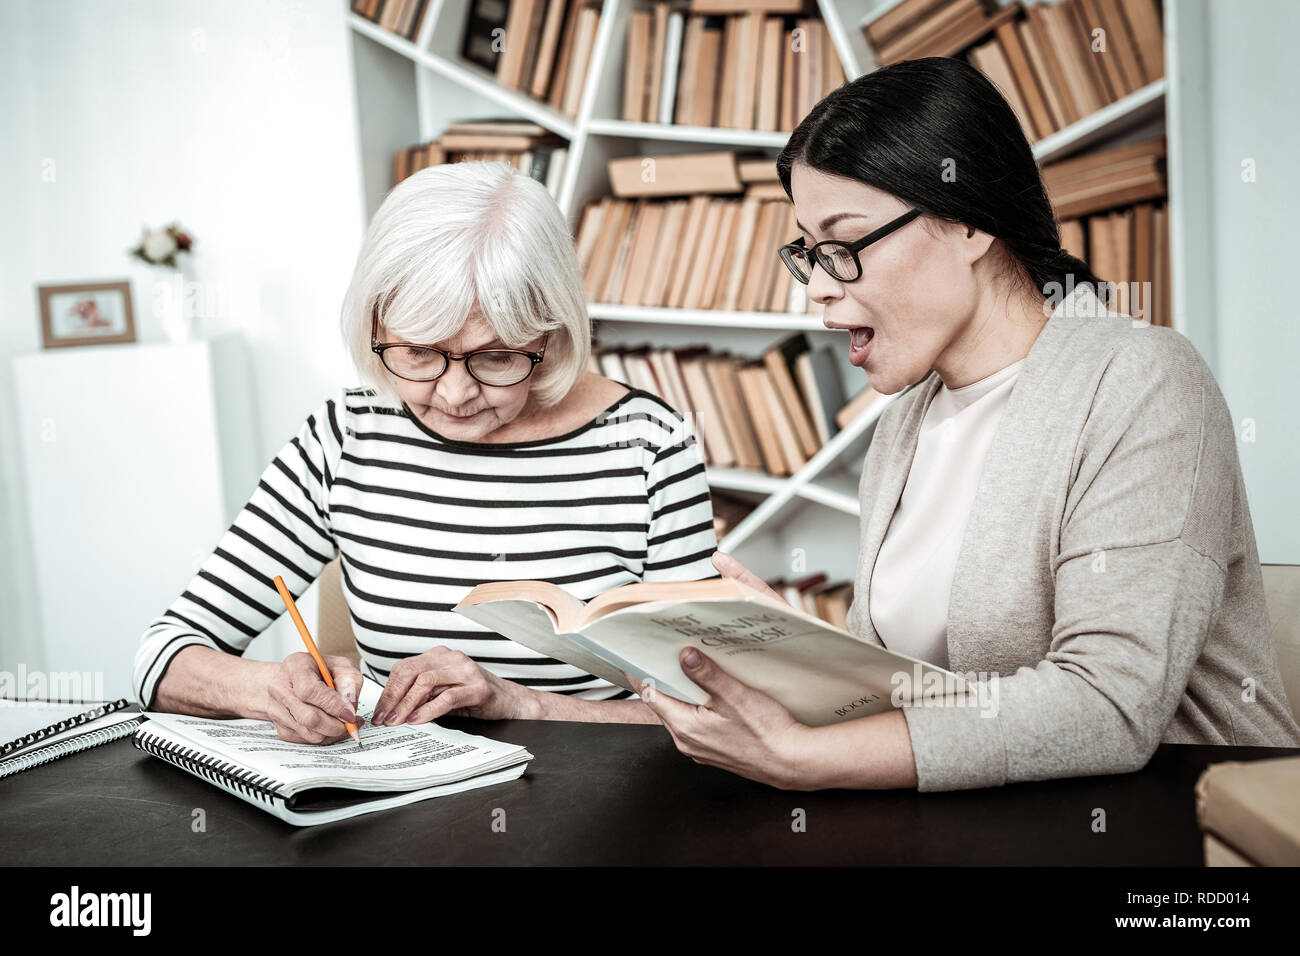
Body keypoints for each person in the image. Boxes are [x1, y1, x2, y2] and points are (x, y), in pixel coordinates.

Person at [637, 57, 1300, 791]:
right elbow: (929, 691)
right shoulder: (903, 423)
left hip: (1188, 826)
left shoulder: (1143, 381)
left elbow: (1109, 705)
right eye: (809, 251)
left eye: (844, 245)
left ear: (968, 224)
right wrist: (799, 653)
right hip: (984, 823)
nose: (818, 288)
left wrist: (809, 760)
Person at [133, 161, 718, 743]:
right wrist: (266, 691)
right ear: (375, 327)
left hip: (592, 801)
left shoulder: (648, 443)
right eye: (418, 354)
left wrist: (521, 704)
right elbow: (161, 659)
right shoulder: (347, 434)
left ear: (553, 333)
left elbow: (711, 716)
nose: (456, 394)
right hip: (397, 802)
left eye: (496, 357)